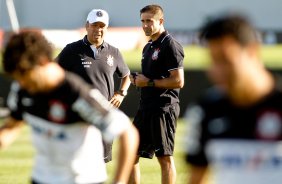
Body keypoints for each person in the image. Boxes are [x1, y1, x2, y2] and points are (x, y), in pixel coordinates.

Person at [0, 31, 139, 184]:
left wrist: (119, 181)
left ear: (43, 62)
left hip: (82, 180)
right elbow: (12, 125)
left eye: (24, 75)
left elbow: (128, 134)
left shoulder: (76, 93)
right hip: (41, 179)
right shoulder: (22, 88)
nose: (22, 83)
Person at [184, 13, 282, 184]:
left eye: (225, 60)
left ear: (252, 50)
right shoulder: (206, 109)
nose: (216, 71)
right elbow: (196, 177)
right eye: (213, 61)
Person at [56, 9, 131, 163]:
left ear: (106, 28)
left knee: (101, 163)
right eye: (94, 25)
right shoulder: (72, 50)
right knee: (78, 162)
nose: (98, 30)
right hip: (78, 115)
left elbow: (126, 75)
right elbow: (52, 70)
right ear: (87, 25)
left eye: (102, 26)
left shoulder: (114, 52)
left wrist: (121, 93)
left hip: (104, 115)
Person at [128, 4, 185, 184]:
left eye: (149, 21)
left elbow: (178, 81)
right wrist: (138, 79)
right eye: (142, 21)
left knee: (164, 158)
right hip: (146, 107)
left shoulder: (171, 45)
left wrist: (149, 82)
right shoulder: (148, 47)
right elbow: (149, 77)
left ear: (161, 21)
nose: (145, 25)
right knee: (131, 154)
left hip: (163, 107)